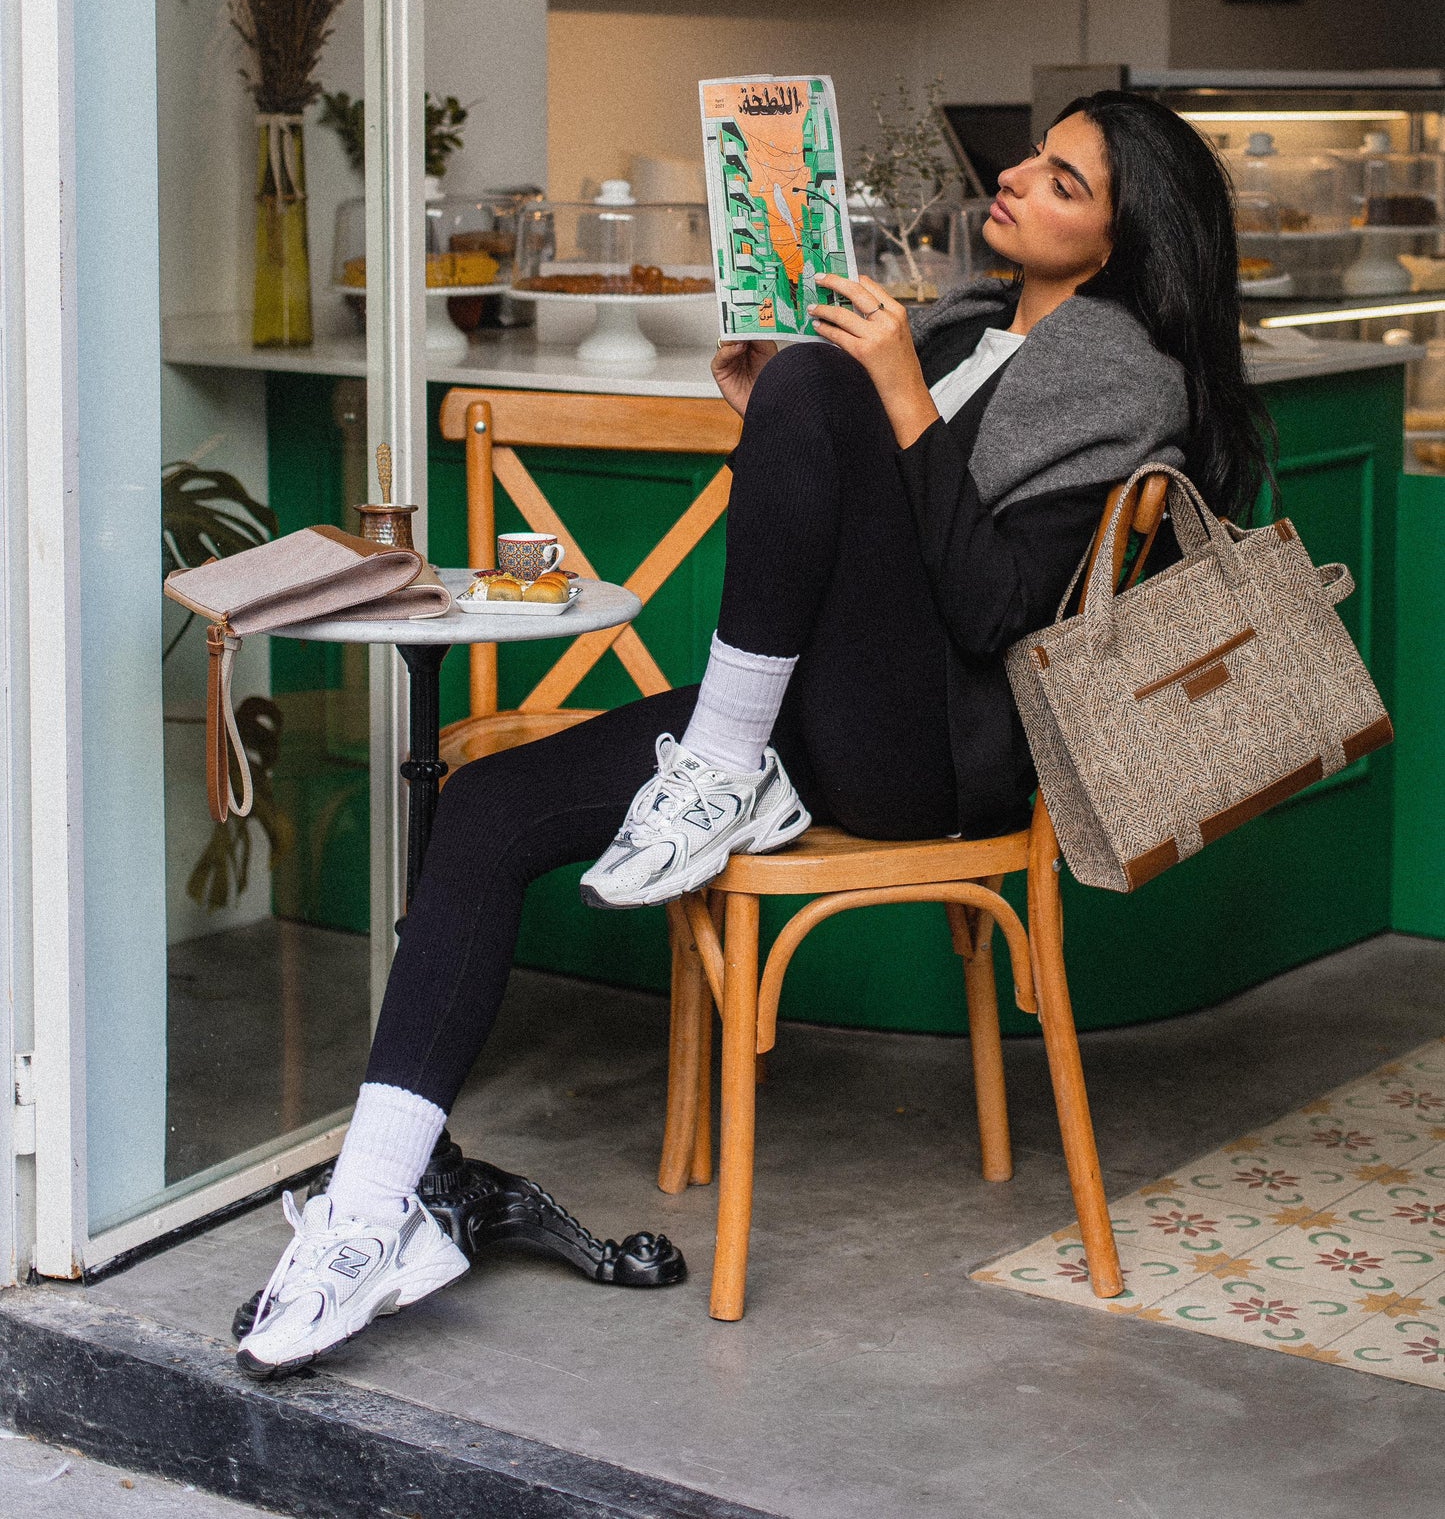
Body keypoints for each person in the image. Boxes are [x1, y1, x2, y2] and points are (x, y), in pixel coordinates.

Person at [236, 90, 1272, 1378]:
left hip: (940, 760)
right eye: (1034, 155)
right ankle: (371, 1212)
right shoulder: (960, 321)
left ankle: (722, 767)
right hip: (817, 715)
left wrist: (879, 400)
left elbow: (998, 611)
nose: (1016, 177)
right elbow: (862, 537)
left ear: (1120, 244)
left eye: (1065, 181)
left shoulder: (1120, 371)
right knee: (490, 805)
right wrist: (783, 418)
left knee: (825, 380)